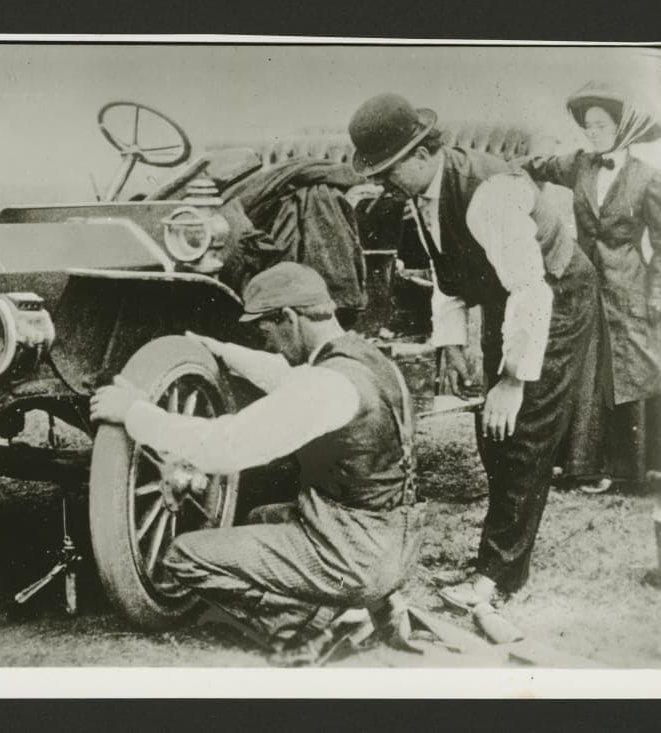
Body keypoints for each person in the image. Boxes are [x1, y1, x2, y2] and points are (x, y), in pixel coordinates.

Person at [89, 262, 422, 665]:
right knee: (260, 517)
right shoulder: (368, 362)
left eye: (268, 331)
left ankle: (318, 624)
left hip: (356, 552)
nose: (270, 345)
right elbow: (289, 377)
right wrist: (222, 352)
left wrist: (134, 413)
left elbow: (225, 447)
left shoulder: (323, 386)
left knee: (183, 555)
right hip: (396, 541)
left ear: (290, 318)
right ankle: (371, 601)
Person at [347, 93, 599, 608]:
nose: (384, 183)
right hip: (507, 296)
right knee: (493, 434)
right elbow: (447, 270)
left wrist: (512, 379)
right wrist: (453, 344)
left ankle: (498, 578)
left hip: (553, 294)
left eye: (389, 170)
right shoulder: (421, 192)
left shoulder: (490, 194)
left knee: (522, 433)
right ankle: (499, 555)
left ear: (422, 154)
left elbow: (532, 291)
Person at [519, 81, 661, 491]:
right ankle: (584, 465)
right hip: (583, 283)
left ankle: (632, 469)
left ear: (623, 127)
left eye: (602, 125)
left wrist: (659, 292)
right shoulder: (578, 165)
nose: (593, 133)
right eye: (588, 126)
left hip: (628, 286)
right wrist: (505, 176)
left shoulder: (650, 179)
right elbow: (535, 166)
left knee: (630, 371)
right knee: (584, 369)